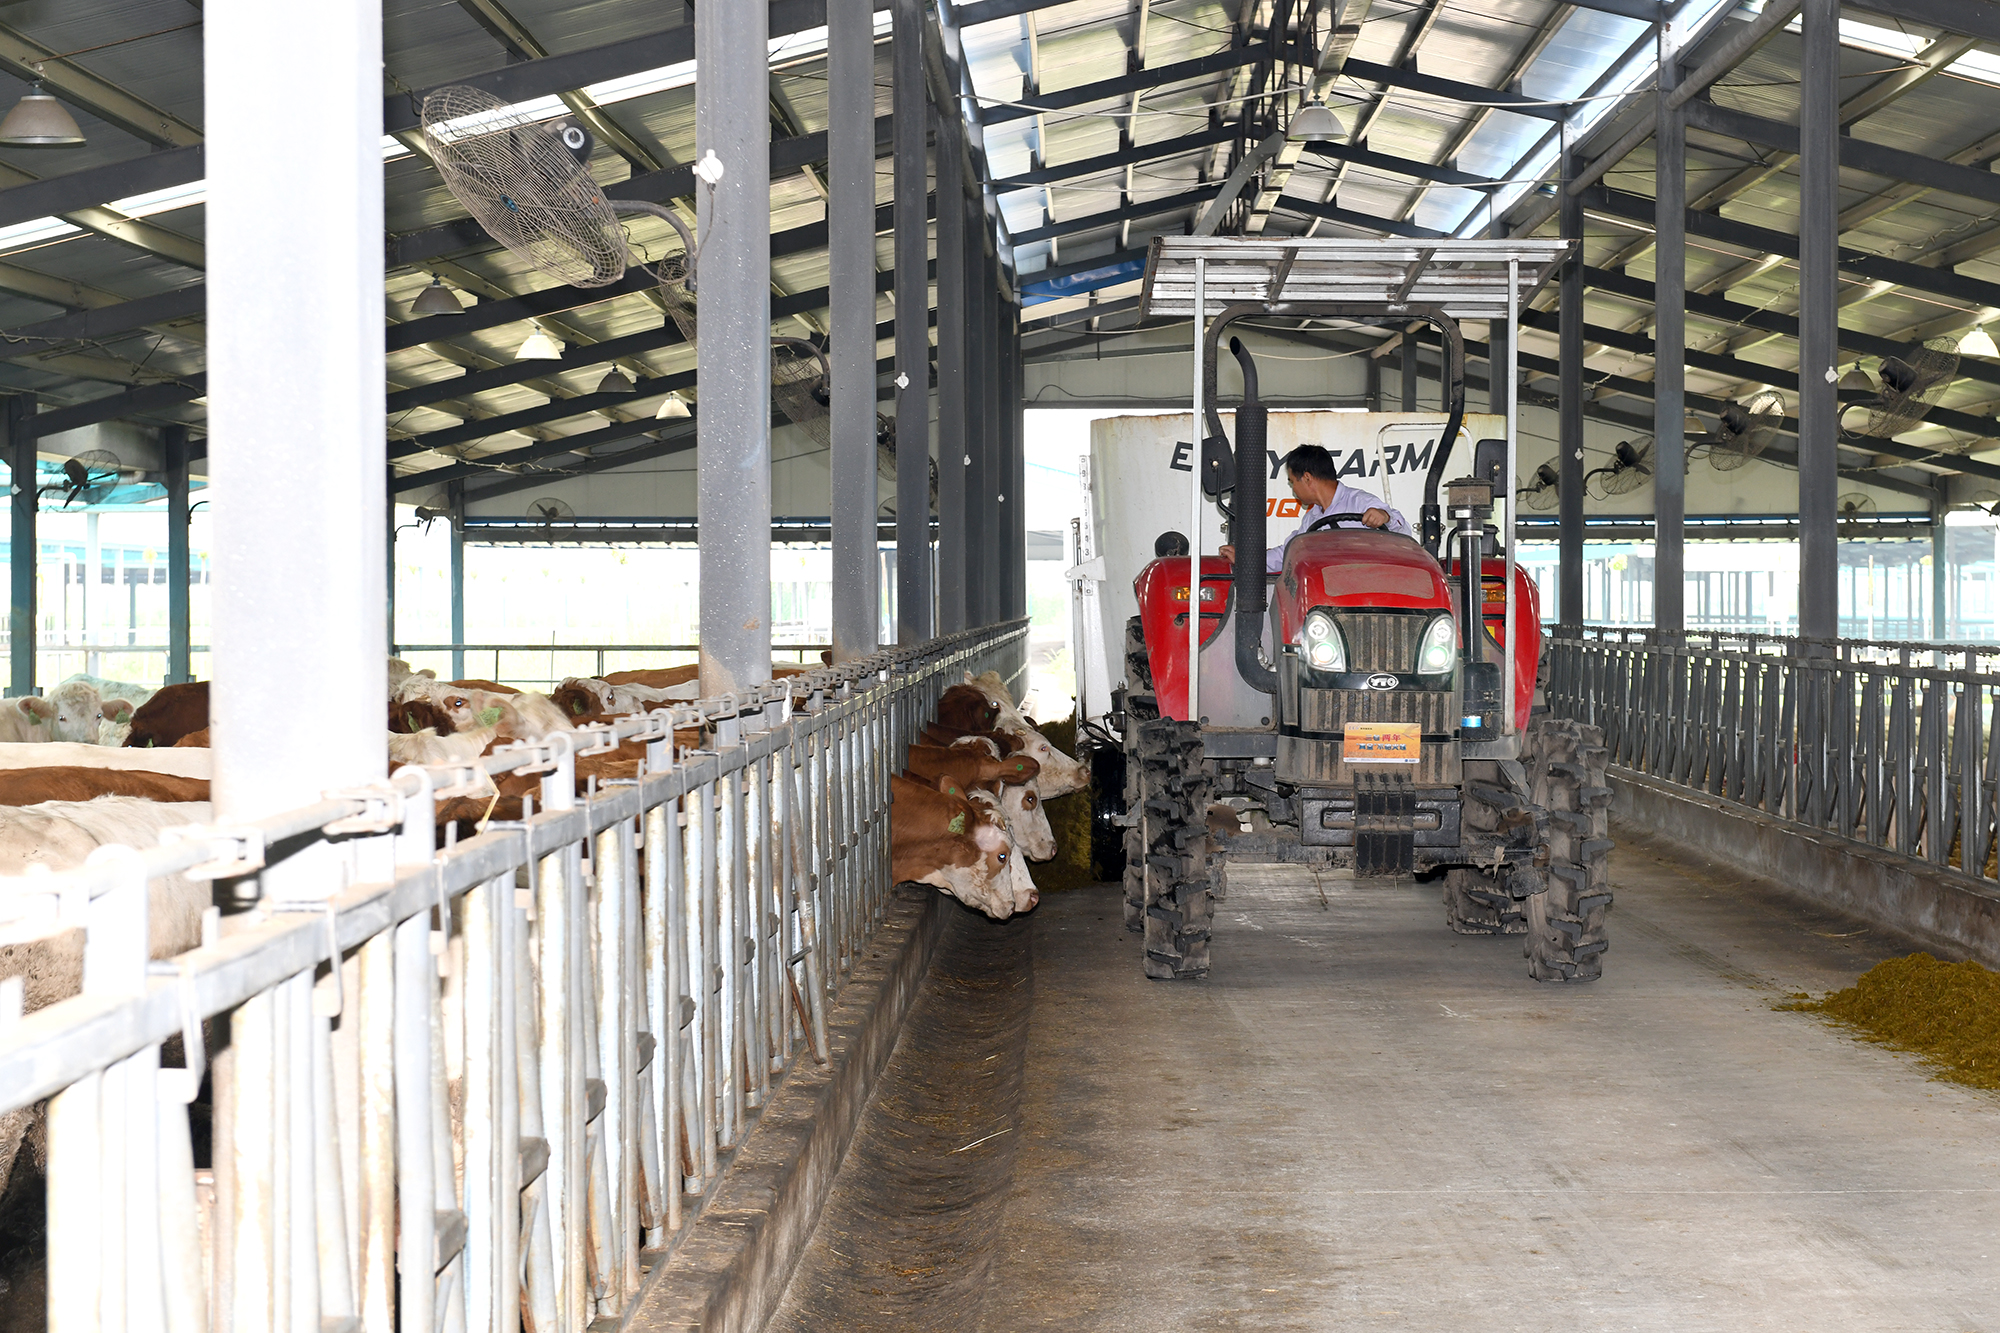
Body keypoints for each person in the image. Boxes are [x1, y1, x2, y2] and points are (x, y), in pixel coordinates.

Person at [1219, 443, 1413, 573]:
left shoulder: (1360, 501)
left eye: (1292, 482)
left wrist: (1384, 517)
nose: (1293, 489)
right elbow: (1288, 553)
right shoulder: (1312, 519)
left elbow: (1403, 531)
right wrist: (1245, 558)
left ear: (1307, 478)